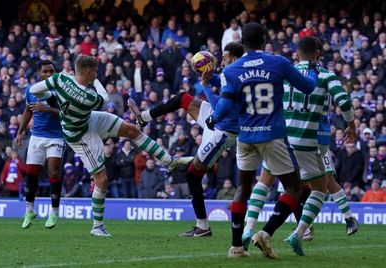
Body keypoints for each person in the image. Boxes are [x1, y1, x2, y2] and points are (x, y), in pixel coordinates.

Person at [29, 55, 193, 236]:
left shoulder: (61, 78)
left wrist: (53, 97)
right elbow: (104, 98)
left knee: (132, 130)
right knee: (102, 179)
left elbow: (34, 89)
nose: (96, 74)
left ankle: (169, 161)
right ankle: (97, 226)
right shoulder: (88, 97)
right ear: (89, 72)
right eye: (95, 72)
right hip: (80, 135)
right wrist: (97, 81)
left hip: (87, 120)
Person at [206, 23, 319, 257]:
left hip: (245, 136)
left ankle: (236, 247)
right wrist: (313, 68)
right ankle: (265, 233)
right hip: (273, 136)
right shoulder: (278, 62)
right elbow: (308, 87)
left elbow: (225, 104)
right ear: (265, 40)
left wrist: (213, 118)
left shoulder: (232, 70)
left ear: (242, 42)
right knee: (294, 188)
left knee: (243, 189)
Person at [243, 36, 357, 256]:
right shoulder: (325, 75)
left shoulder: (286, 72)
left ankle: (248, 229)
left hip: (281, 138)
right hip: (307, 141)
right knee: (320, 189)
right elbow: (344, 101)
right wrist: (351, 125)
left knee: (265, 180)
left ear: (297, 54)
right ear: (318, 54)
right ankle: (299, 233)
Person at [128, 42, 244, 237]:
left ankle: (202, 226)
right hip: (217, 120)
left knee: (192, 175)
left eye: (223, 58)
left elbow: (221, 108)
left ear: (232, 58)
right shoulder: (233, 73)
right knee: (183, 98)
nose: (221, 62)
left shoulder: (233, 74)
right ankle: (144, 117)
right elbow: (220, 85)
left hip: (222, 130)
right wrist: (208, 78)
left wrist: (206, 86)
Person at [17, 60, 64, 229]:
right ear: (39, 74)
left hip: (56, 137)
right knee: (31, 174)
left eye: (52, 71)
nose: (49, 74)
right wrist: (20, 132)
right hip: (36, 136)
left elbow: (66, 113)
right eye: (46, 71)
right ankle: (29, 210)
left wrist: (47, 110)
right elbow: (28, 111)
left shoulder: (61, 91)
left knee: (53, 171)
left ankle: (54, 211)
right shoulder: (32, 90)